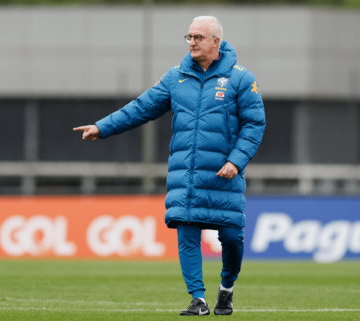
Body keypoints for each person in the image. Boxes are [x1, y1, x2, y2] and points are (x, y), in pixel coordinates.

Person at [73, 16, 265, 316]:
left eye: (198, 37)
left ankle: (226, 288)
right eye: (188, 37)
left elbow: (255, 125)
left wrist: (236, 161)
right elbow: (141, 108)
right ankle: (198, 299)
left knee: (231, 238)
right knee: (187, 232)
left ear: (216, 41)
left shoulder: (241, 79)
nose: (192, 42)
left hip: (223, 175)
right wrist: (102, 127)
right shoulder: (175, 77)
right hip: (185, 175)